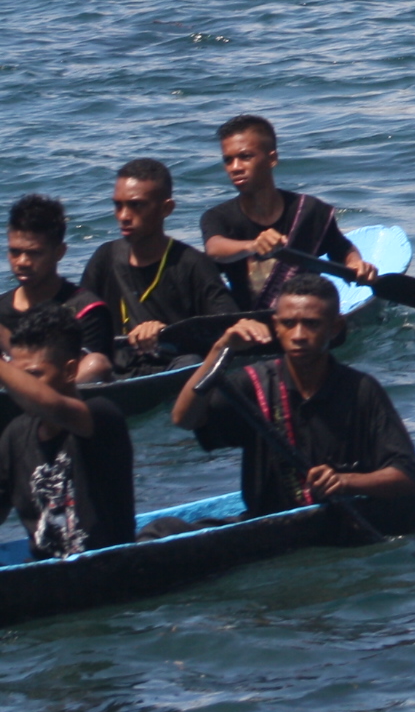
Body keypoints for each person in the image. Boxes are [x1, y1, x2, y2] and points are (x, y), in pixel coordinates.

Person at [174, 274, 415, 517]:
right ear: (276, 326)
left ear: (335, 327)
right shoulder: (255, 385)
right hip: (265, 526)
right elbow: (184, 419)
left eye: (312, 324)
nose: (299, 335)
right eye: (289, 323)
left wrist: (346, 482)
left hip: (340, 522)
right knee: (162, 530)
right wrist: (220, 349)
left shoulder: (361, 390)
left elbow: (406, 477)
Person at [199, 115, 375, 313]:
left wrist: (356, 264)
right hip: (250, 328)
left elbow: (342, 249)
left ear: (272, 158)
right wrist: (253, 246)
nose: (235, 168)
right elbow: (214, 249)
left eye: (245, 157)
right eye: (228, 160)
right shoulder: (218, 217)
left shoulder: (309, 211)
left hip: (305, 321)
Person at [79, 158, 239, 372]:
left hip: (173, 369)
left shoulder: (192, 264)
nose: (124, 216)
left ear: (167, 208)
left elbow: (228, 328)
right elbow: (80, 325)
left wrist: (166, 333)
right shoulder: (105, 258)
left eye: (136, 205)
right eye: (118, 205)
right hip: (118, 371)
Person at [0, 304, 134, 557]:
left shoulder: (101, 417)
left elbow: (54, 406)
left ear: (70, 371)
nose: (18, 386)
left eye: (32, 375)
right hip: (45, 575)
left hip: (109, 568)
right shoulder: (14, 435)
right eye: (16, 377)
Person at [0, 195, 116, 382]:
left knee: (95, 364)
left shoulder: (86, 310)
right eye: (15, 252)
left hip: (63, 403)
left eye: (34, 253)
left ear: (59, 252)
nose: (22, 262)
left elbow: (92, 373)